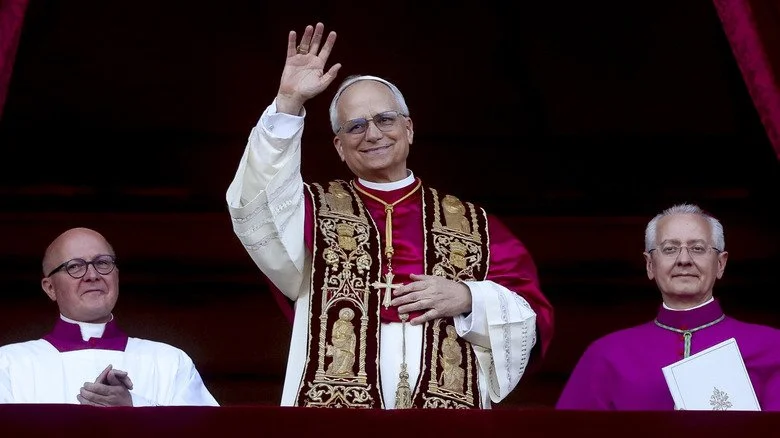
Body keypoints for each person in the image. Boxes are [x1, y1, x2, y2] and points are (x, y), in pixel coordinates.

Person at [226, 22, 554, 409]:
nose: (373, 134)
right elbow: (257, 205)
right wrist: (288, 104)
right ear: (339, 146)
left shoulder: (474, 224)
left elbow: (532, 320)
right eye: (356, 126)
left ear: (409, 128)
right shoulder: (310, 210)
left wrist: (468, 297)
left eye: (385, 119)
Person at [556, 203, 780, 410]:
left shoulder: (773, 347)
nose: (684, 259)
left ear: (720, 264)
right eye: (670, 249)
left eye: (698, 248)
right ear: (650, 265)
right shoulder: (606, 354)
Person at [0, 227, 220, 407]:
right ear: (50, 288)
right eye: (75, 266)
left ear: (116, 275)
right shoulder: (9, 364)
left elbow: (207, 430)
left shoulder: (169, 362)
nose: (92, 275)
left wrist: (134, 408)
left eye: (102, 263)